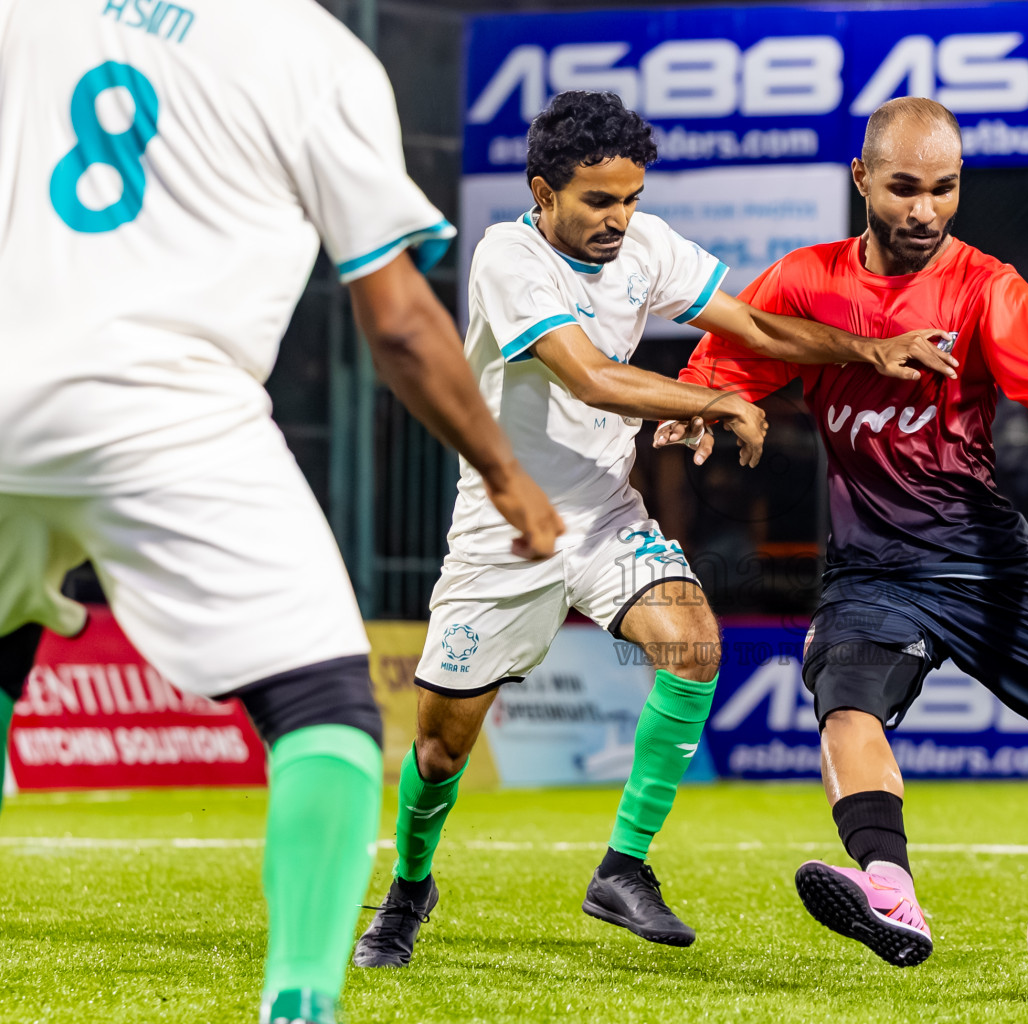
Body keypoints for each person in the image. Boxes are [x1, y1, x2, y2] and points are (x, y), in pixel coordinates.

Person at [0, 3, 563, 1023]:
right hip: (166, 409)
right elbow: (395, 320)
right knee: (326, 711)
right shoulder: (312, 53)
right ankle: (300, 999)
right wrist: (501, 469)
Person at [351, 91, 956, 967]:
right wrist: (717, 399)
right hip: (505, 529)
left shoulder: (647, 244)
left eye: (631, 199)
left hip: (603, 516)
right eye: (599, 201)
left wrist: (868, 349)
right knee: (442, 752)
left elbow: (746, 321)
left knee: (692, 646)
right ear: (542, 190)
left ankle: (623, 867)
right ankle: (409, 889)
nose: (619, 219)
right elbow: (592, 378)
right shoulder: (506, 257)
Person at [665, 97, 1028, 968]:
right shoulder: (805, 280)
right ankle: (890, 890)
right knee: (843, 700)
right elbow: (727, 362)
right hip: (870, 572)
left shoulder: (989, 288)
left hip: (985, 568)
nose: (924, 210)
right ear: (861, 179)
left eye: (944, 190)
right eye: (905, 188)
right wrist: (700, 412)